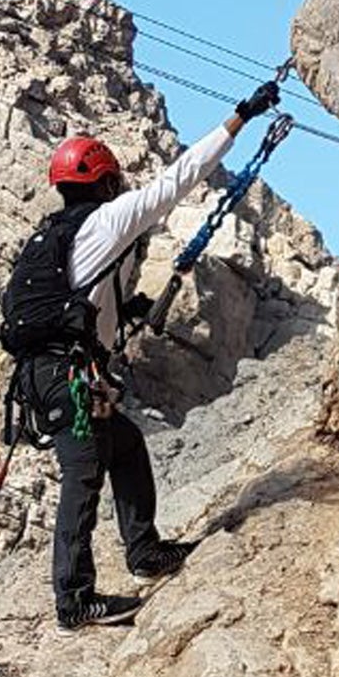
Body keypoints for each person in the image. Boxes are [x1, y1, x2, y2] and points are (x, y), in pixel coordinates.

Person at [35, 80, 279, 631]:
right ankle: (74, 601)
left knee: (124, 445)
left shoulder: (57, 234)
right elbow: (178, 180)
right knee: (83, 474)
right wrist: (240, 117)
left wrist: (124, 311)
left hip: (50, 374)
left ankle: (144, 551)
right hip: (70, 376)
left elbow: (82, 303)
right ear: (104, 182)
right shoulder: (108, 221)